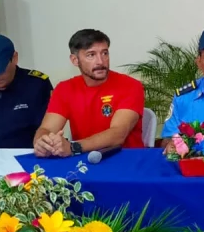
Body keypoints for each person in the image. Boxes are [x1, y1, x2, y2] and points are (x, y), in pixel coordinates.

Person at [33, 29, 144, 158]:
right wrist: (43, 142)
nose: (101, 61)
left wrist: (74, 147)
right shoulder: (64, 88)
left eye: (104, 53)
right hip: (83, 160)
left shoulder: (130, 85)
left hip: (125, 160)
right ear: (75, 60)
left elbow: (118, 134)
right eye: (91, 55)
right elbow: (47, 128)